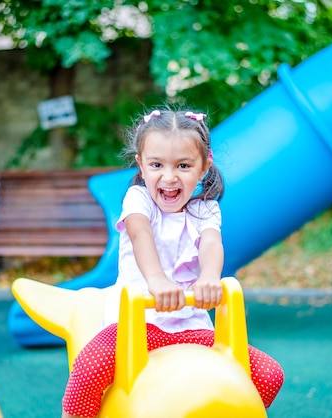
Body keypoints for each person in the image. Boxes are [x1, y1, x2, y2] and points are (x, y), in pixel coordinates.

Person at [61, 108, 284, 418]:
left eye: (183, 165)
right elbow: (140, 237)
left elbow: (210, 243)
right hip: (138, 327)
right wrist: (157, 281)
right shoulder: (138, 200)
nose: (168, 177)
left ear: (205, 166)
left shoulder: (205, 209)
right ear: (140, 164)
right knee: (90, 366)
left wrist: (209, 277)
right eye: (156, 165)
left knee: (268, 374)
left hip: (191, 328)